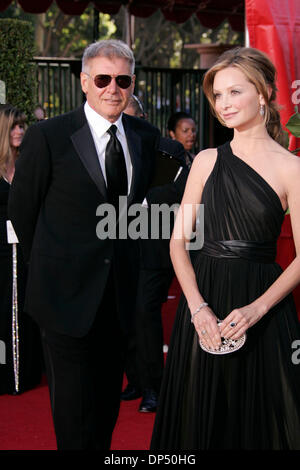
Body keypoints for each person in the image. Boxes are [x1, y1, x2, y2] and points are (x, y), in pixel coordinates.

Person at [8, 39, 165, 450]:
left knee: (105, 411)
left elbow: (142, 210)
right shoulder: (48, 136)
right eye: (102, 78)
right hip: (63, 298)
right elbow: (23, 213)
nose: (112, 88)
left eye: (122, 79)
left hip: (119, 300)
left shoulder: (146, 138)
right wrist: (53, 267)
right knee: (74, 413)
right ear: (84, 82)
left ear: (132, 84)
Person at [151, 47, 300, 450]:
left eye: (235, 92)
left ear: (264, 94)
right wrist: (197, 307)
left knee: (266, 421)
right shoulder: (205, 160)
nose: (224, 104)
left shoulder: (292, 168)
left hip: (263, 302)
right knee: (198, 417)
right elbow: (178, 243)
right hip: (205, 301)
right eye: (218, 95)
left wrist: (258, 308)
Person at [121, 102, 197, 412]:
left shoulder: (167, 149)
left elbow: (186, 188)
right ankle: (137, 379)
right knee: (126, 313)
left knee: (145, 311)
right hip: (119, 245)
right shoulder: (103, 146)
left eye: (129, 117)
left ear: (142, 119)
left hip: (157, 244)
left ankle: (155, 385)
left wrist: (141, 198)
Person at [0, 104, 42, 395]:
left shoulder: (28, 163)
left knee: (29, 308)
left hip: (27, 250)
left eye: (22, 125)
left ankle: (26, 372)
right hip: (1, 254)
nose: (20, 130)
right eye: (15, 125)